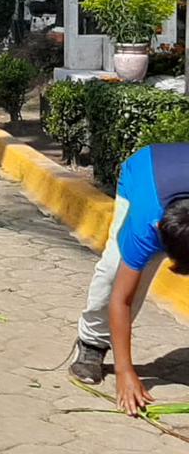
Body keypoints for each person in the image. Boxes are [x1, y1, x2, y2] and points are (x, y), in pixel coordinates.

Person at [69, 143, 189, 414]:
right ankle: (91, 341)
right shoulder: (147, 223)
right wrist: (125, 372)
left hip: (174, 178)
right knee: (115, 271)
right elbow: (121, 299)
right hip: (143, 170)